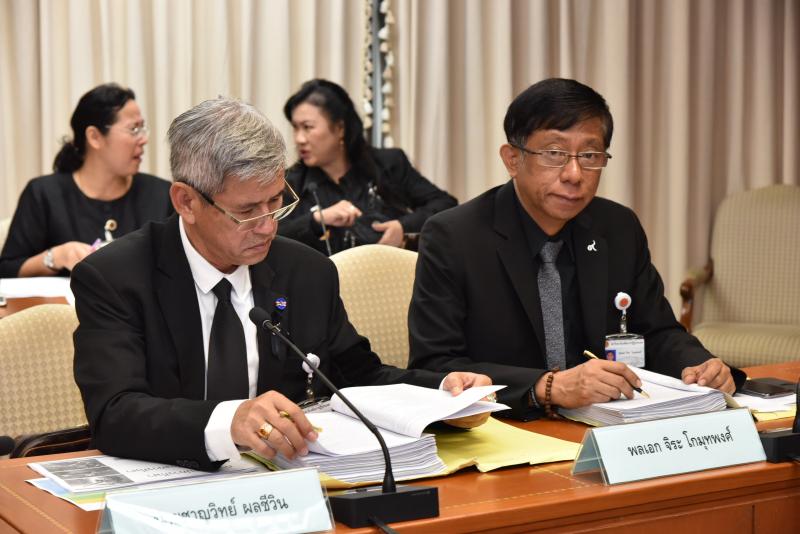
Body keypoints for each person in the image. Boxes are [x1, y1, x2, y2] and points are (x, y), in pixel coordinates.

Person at [72, 97, 491, 470]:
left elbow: (358, 376)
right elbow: (115, 413)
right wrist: (228, 421)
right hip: (164, 484)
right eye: (247, 211)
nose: (268, 226)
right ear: (187, 201)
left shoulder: (306, 272)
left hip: (292, 485)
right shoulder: (115, 277)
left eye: (276, 201)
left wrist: (443, 392)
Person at [407, 78, 744, 420]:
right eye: (554, 153)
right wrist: (546, 387)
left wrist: (698, 364)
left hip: (609, 424)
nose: (574, 174)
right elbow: (434, 366)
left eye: (589, 155)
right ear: (513, 159)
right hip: (507, 427)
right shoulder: (454, 236)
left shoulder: (618, 227)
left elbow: (655, 331)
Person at [0, 83, 172, 278]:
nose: (143, 139)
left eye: (142, 128)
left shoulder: (161, 194)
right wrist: (56, 256)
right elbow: (7, 270)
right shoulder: (44, 194)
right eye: (133, 129)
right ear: (94, 137)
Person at [278, 79, 456, 255]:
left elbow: (445, 205)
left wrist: (402, 227)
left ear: (340, 128)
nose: (299, 139)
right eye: (295, 128)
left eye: (307, 127)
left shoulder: (388, 164)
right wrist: (317, 220)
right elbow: (273, 235)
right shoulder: (290, 182)